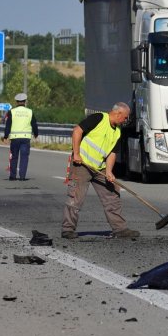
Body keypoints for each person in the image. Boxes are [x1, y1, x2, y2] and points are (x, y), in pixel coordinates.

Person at [61, 102, 139, 239]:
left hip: (99, 168)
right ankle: (67, 229)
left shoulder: (117, 131)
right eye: (125, 117)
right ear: (118, 113)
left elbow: (112, 153)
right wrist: (77, 154)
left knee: (113, 192)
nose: (126, 120)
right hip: (82, 165)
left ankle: (120, 229)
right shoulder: (98, 118)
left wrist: (109, 171)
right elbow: (77, 131)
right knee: (76, 198)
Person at [3, 92, 38, 180]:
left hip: (14, 138)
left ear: (16, 102)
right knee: (24, 157)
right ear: (25, 101)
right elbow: (34, 124)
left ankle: (13, 176)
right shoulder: (30, 112)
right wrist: (36, 134)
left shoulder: (12, 112)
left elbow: (8, 125)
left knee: (14, 157)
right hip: (25, 138)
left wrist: (5, 136)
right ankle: (22, 176)